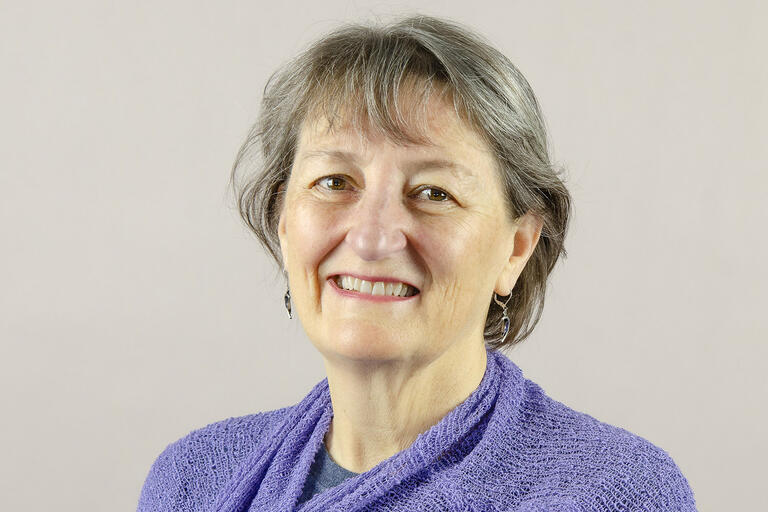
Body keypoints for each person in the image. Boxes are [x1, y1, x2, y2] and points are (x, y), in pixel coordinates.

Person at [137, 14, 698, 512]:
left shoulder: (612, 494)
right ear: (285, 222)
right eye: (334, 182)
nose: (373, 236)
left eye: (433, 192)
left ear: (517, 248)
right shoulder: (192, 481)